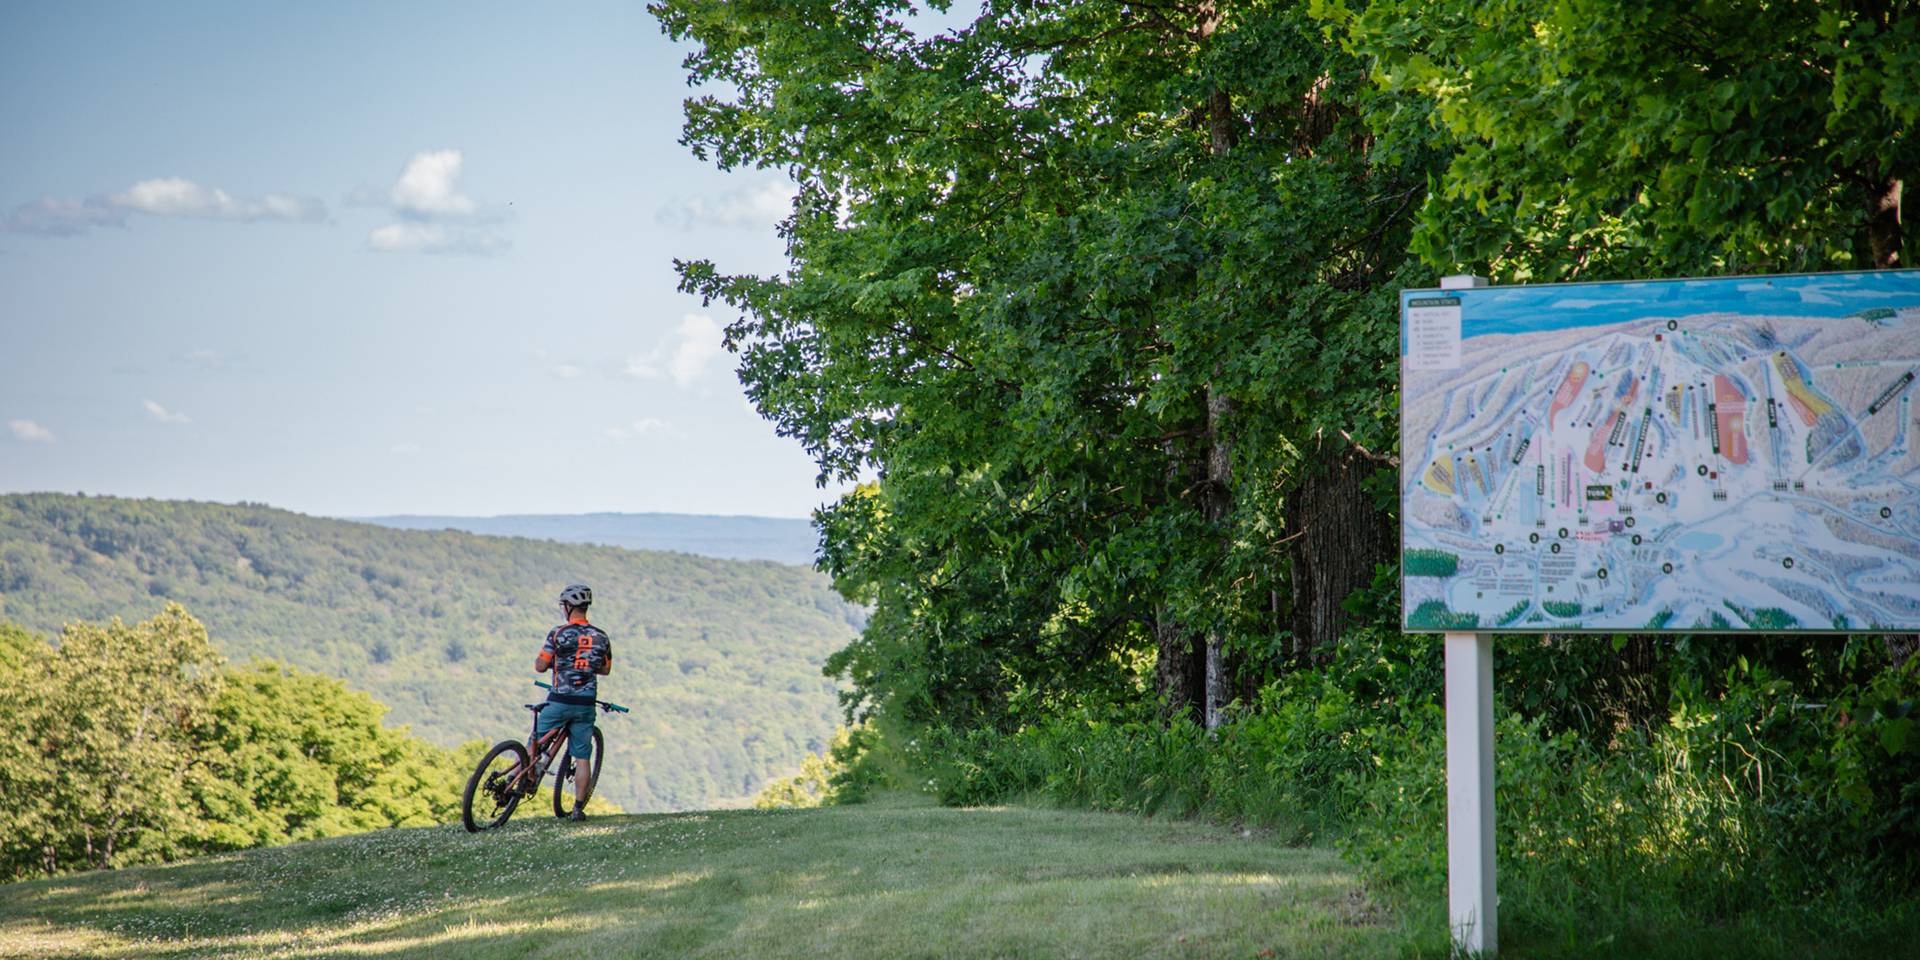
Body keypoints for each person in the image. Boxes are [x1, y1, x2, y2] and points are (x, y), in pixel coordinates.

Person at [534, 583, 612, 821]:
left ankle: (525, 777)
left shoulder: (557, 633)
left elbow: (540, 666)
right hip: (585, 703)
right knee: (582, 757)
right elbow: (606, 669)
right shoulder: (601, 636)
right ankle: (578, 808)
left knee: (535, 742)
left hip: (559, 699)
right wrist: (585, 665)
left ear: (568, 607)